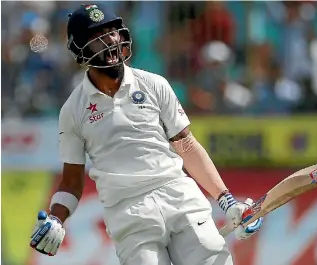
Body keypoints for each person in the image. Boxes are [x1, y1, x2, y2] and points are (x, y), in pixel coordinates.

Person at [29, 4, 263, 265]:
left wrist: (228, 202)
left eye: (112, 31)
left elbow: (186, 146)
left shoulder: (154, 84)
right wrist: (56, 218)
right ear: (80, 48)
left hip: (178, 195)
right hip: (128, 213)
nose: (110, 39)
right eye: (98, 35)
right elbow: (71, 181)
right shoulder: (73, 110)